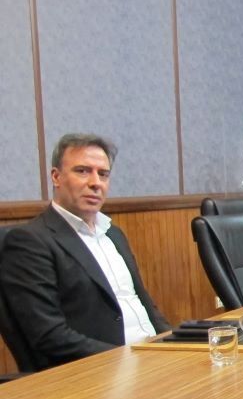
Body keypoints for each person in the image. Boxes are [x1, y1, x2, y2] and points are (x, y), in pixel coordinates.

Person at [0, 133, 170, 370]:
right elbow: (50, 335)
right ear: (56, 177)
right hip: (99, 371)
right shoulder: (30, 241)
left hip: (152, 360)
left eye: (103, 174)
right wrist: (130, 359)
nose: (95, 182)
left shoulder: (113, 234)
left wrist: (175, 344)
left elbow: (146, 306)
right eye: (82, 171)